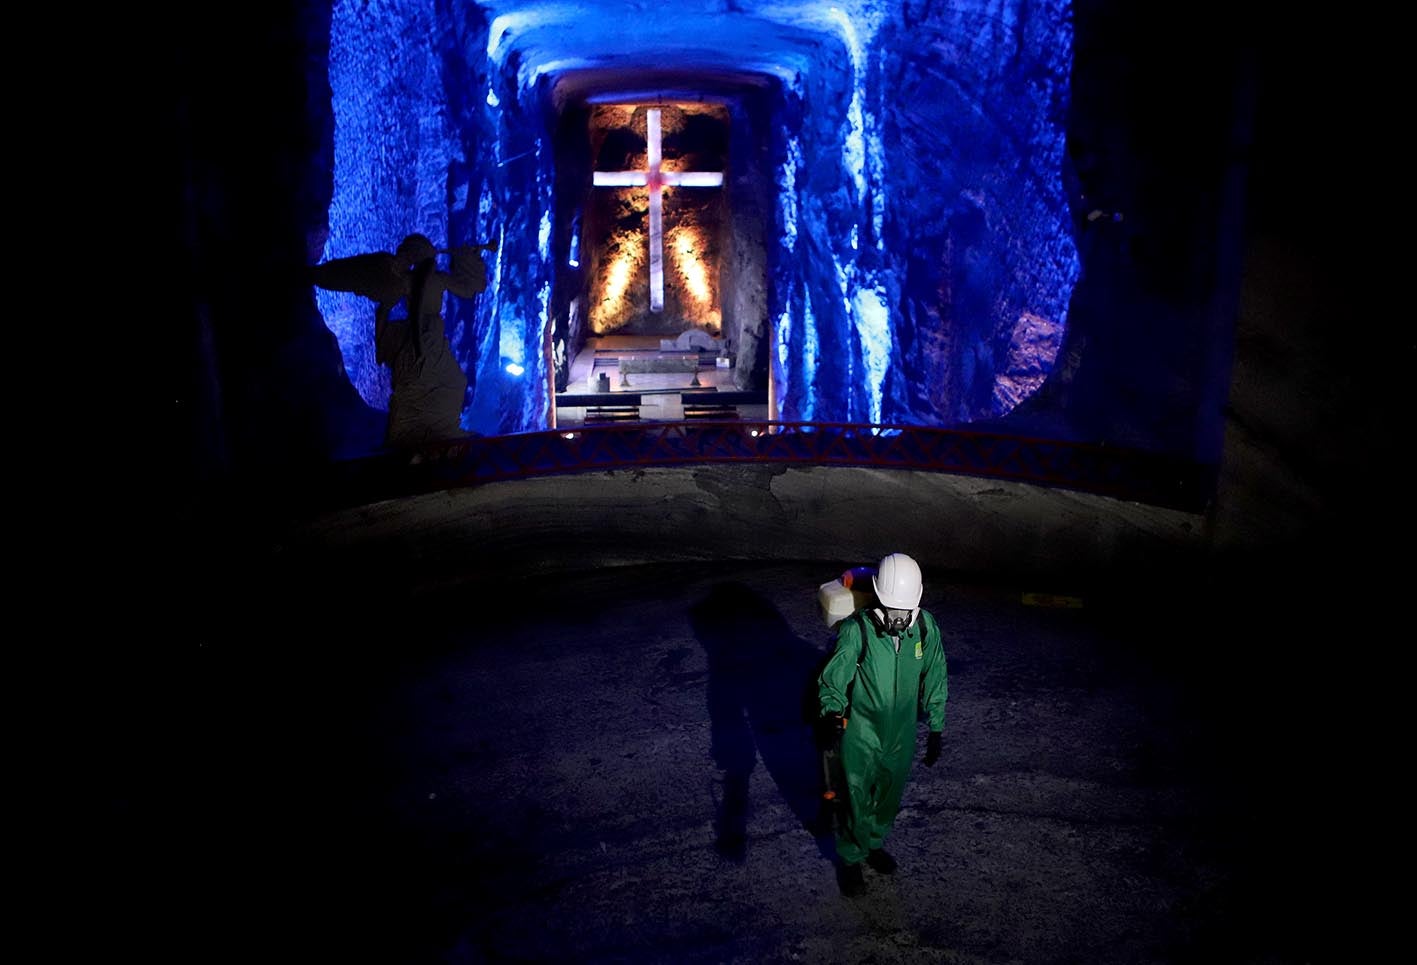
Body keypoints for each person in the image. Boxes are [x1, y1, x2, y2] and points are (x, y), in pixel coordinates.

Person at [816, 552, 948, 896]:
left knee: (889, 794)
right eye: (892, 610)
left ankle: (872, 843)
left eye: (904, 612)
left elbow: (935, 673)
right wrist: (831, 714)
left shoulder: (924, 627)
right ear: (878, 596)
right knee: (856, 797)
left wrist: (936, 725)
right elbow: (834, 678)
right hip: (863, 731)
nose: (898, 620)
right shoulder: (857, 630)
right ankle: (850, 858)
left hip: (901, 731)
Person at [312, 233, 496, 450]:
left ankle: (431, 432)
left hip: (430, 337)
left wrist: (468, 259)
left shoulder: (431, 279)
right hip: (422, 339)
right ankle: (419, 434)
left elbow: (471, 287)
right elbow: (469, 287)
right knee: (439, 384)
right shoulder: (410, 281)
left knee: (453, 383)